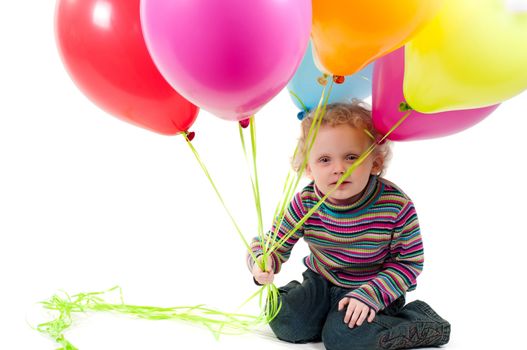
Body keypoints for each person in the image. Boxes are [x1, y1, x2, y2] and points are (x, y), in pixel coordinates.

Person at [248, 102, 450, 350]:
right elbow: (273, 243)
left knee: (342, 339)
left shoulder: (395, 205)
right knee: (287, 323)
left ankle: (419, 320)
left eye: (352, 157)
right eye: (325, 159)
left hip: (373, 287)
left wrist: (372, 294)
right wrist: (263, 260)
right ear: (309, 168)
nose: (339, 169)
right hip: (322, 280)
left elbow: (409, 263)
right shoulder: (307, 201)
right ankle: (314, 308)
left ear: (375, 162)